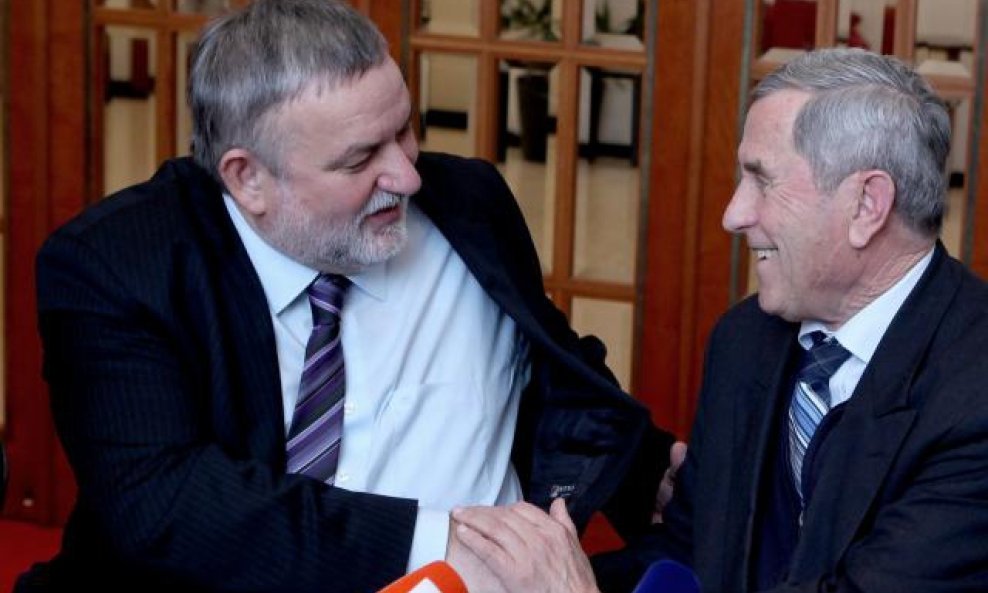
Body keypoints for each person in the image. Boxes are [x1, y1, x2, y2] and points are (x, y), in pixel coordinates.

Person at [21, 1, 677, 592]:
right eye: (360, 159)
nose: (407, 175)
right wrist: (441, 542)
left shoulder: (469, 203)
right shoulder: (115, 267)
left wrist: (651, 473)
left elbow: (551, 363)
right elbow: (165, 503)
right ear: (248, 178)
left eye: (405, 129)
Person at [453, 47, 988, 593]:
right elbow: (688, 552)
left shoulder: (974, 402)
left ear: (867, 205)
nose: (734, 215)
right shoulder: (745, 340)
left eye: (763, 180)